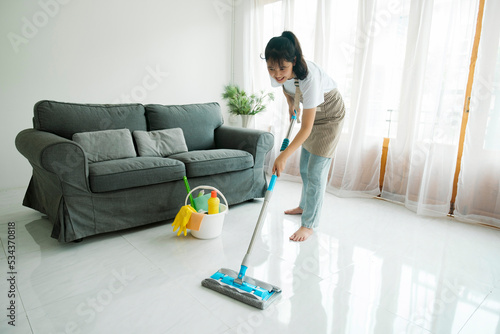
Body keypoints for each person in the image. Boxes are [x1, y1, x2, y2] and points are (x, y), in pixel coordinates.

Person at [265, 31, 345, 242]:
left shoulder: (309, 78)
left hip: (329, 118)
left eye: (282, 68)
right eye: (271, 68)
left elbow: (307, 128)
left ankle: (309, 224)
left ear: (294, 61)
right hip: (312, 114)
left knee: (316, 171)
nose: (276, 73)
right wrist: (291, 104)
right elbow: (284, 87)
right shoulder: (278, 73)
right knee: (305, 168)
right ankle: (304, 206)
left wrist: (283, 156)